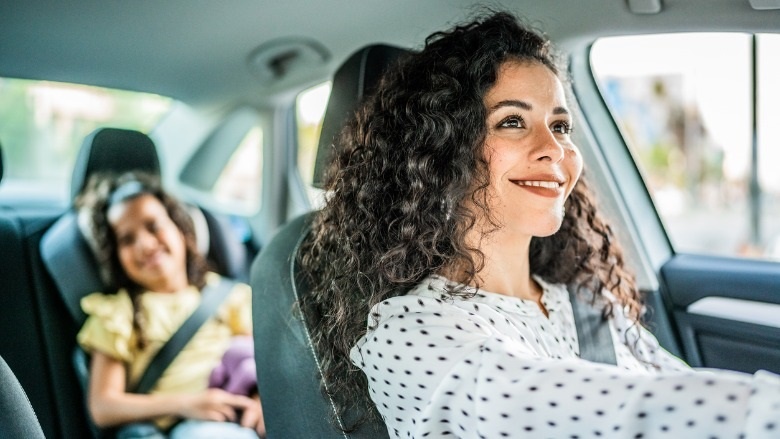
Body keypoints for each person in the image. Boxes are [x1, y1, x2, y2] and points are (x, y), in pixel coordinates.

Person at [299, 10, 780, 439]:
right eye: (512, 121)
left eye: (561, 125)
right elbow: (588, 407)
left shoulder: (585, 299)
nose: (555, 148)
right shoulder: (408, 332)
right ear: (441, 150)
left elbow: (674, 382)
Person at [75, 171, 265, 439]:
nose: (145, 244)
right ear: (115, 256)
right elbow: (103, 406)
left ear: (181, 228)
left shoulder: (229, 296)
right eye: (127, 239)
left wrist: (260, 403)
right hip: (180, 429)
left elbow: (256, 364)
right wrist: (188, 405)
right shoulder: (118, 313)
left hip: (243, 418)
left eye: (153, 226)